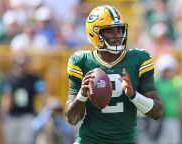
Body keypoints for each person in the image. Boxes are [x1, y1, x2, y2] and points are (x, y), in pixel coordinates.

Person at [65, 5, 163, 144]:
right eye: (110, 31)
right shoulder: (82, 62)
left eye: (119, 29)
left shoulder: (139, 59)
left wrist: (133, 95)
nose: (117, 35)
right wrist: (82, 95)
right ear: (95, 33)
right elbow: (72, 119)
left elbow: (157, 112)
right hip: (89, 140)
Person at [3, 53, 47, 144]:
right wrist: (4, 112)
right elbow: (7, 98)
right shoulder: (10, 79)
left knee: (26, 141)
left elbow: (43, 94)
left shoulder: (33, 79)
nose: (21, 67)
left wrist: (45, 107)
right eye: (19, 64)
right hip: (12, 116)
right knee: (10, 140)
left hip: (27, 115)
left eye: (23, 64)